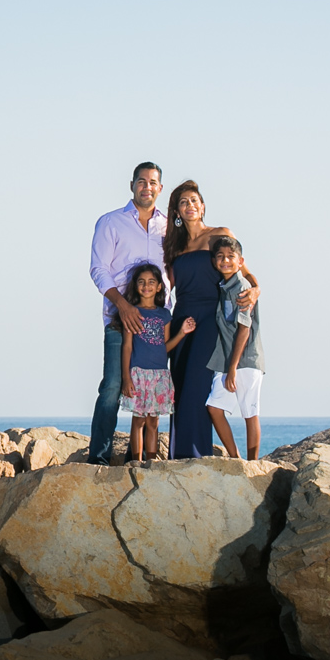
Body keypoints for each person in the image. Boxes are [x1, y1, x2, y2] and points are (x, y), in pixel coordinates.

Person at [163, 179, 260, 459]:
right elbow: (167, 286)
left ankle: (196, 455)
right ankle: (180, 455)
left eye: (194, 200)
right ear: (177, 213)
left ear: (202, 206)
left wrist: (255, 290)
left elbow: (245, 271)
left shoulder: (219, 234)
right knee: (179, 390)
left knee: (197, 387)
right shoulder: (175, 246)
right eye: (183, 202)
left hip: (211, 320)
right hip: (182, 318)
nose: (189, 206)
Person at [87, 163, 166, 461]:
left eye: (153, 182)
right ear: (132, 185)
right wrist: (123, 305)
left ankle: (145, 457)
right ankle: (99, 459)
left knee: (151, 392)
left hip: (157, 325)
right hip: (120, 321)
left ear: (160, 188)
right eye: (142, 181)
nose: (147, 187)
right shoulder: (111, 222)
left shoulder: (168, 226)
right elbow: (98, 269)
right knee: (112, 387)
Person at [116, 262, 191, 462]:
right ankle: (136, 461)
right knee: (138, 421)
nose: (146, 285)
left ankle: (151, 462)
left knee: (153, 422)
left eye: (151, 282)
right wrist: (126, 378)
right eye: (141, 282)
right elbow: (127, 347)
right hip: (139, 374)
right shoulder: (131, 313)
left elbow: (164, 347)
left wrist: (182, 333)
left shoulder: (164, 315)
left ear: (159, 286)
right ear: (135, 286)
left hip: (160, 375)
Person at [204, 235, 264, 458]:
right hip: (229, 360)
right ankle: (235, 458)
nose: (225, 261)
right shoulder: (223, 286)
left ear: (241, 261)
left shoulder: (242, 287)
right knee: (214, 408)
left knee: (249, 412)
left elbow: (244, 329)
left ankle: (252, 463)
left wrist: (232, 368)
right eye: (220, 257)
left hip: (245, 360)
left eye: (231, 256)